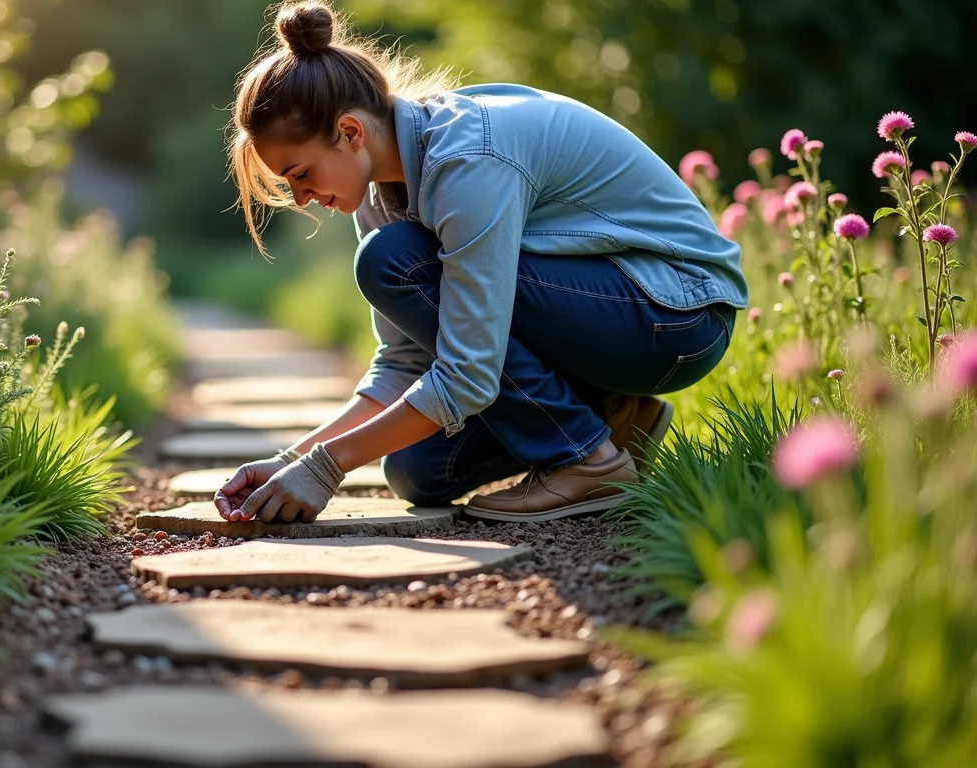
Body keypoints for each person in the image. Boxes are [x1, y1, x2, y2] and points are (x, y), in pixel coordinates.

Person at [213, 1, 747, 525]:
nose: (301, 197)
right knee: (419, 471)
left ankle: (586, 461)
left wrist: (325, 470)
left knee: (390, 260)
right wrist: (290, 463)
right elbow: (404, 364)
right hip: (615, 317)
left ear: (351, 133)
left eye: (300, 172)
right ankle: (616, 414)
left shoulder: (467, 161)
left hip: (679, 315)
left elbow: (468, 371)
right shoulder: (380, 191)